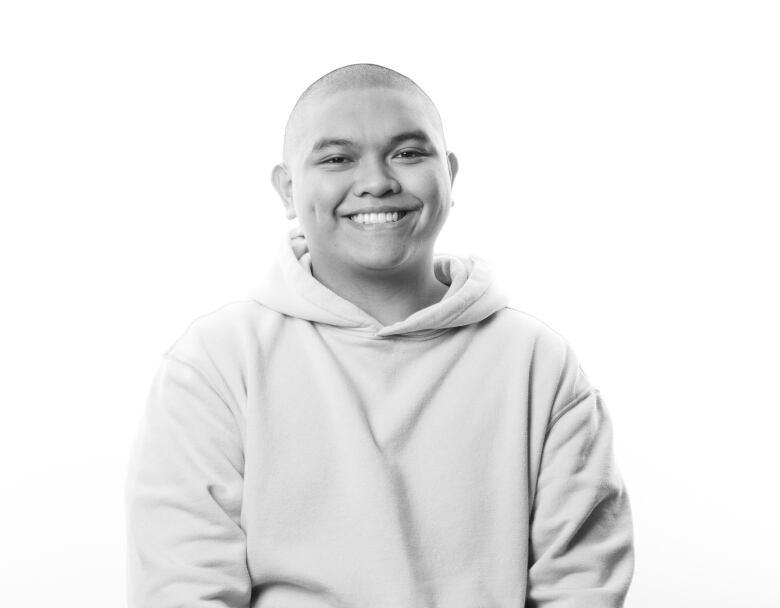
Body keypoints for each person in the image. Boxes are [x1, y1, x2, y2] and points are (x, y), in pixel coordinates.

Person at [125, 63, 634, 607]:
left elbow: (580, 586)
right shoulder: (215, 363)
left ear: (451, 175)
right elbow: (185, 589)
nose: (377, 181)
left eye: (408, 153)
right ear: (288, 189)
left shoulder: (538, 364)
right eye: (338, 158)